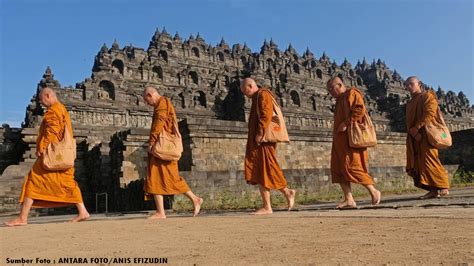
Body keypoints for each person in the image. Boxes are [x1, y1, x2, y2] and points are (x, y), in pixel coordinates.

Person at [5, 87, 90, 226]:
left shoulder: (54, 111)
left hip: (52, 155)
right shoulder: (61, 108)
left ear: (48, 95)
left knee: (33, 180)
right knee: (68, 183)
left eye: (42, 100)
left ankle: (22, 218)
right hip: (62, 156)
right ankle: (83, 211)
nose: (41, 103)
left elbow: (52, 132)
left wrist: (42, 147)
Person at [143, 86, 203, 219]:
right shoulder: (162, 103)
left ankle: (193, 200)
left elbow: (159, 122)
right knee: (158, 177)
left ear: (150, 95)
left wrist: (152, 141)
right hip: (163, 149)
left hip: (162, 148)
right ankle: (163, 211)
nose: (147, 104)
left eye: (146, 100)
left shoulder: (162, 102)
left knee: (163, 177)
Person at [240, 78, 296, 215]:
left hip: (263, 140)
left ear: (250, 86)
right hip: (258, 140)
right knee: (262, 170)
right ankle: (272, 202)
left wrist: (260, 132)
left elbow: (266, 114)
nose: (244, 94)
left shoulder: (263, 94)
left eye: (244, 90)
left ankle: (280, 197)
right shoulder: (256, 97)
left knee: (267, 167)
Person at [326, 77, 381, 208]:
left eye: (331, 89)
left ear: (339, 85)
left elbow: (359, 110)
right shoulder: (339, 100)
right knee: (338, 169)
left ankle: (373, 191)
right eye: (328, 90)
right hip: (340, 140)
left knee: (353, 167)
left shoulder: (352, 94)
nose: (330, 92)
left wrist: (346, 123)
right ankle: (348, 199)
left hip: (351, 140)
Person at [404, 76, 449, 199]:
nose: (408, 87)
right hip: (414, 136)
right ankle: (433, 190)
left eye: (411, 84)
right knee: (419, 163)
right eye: (406, 85)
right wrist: (412, 132)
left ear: (419, 84)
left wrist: (417, 127)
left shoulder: (427, 96)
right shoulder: (410, 103)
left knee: (430, 160)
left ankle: (443, 186)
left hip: (426, 134)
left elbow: (430, 113)